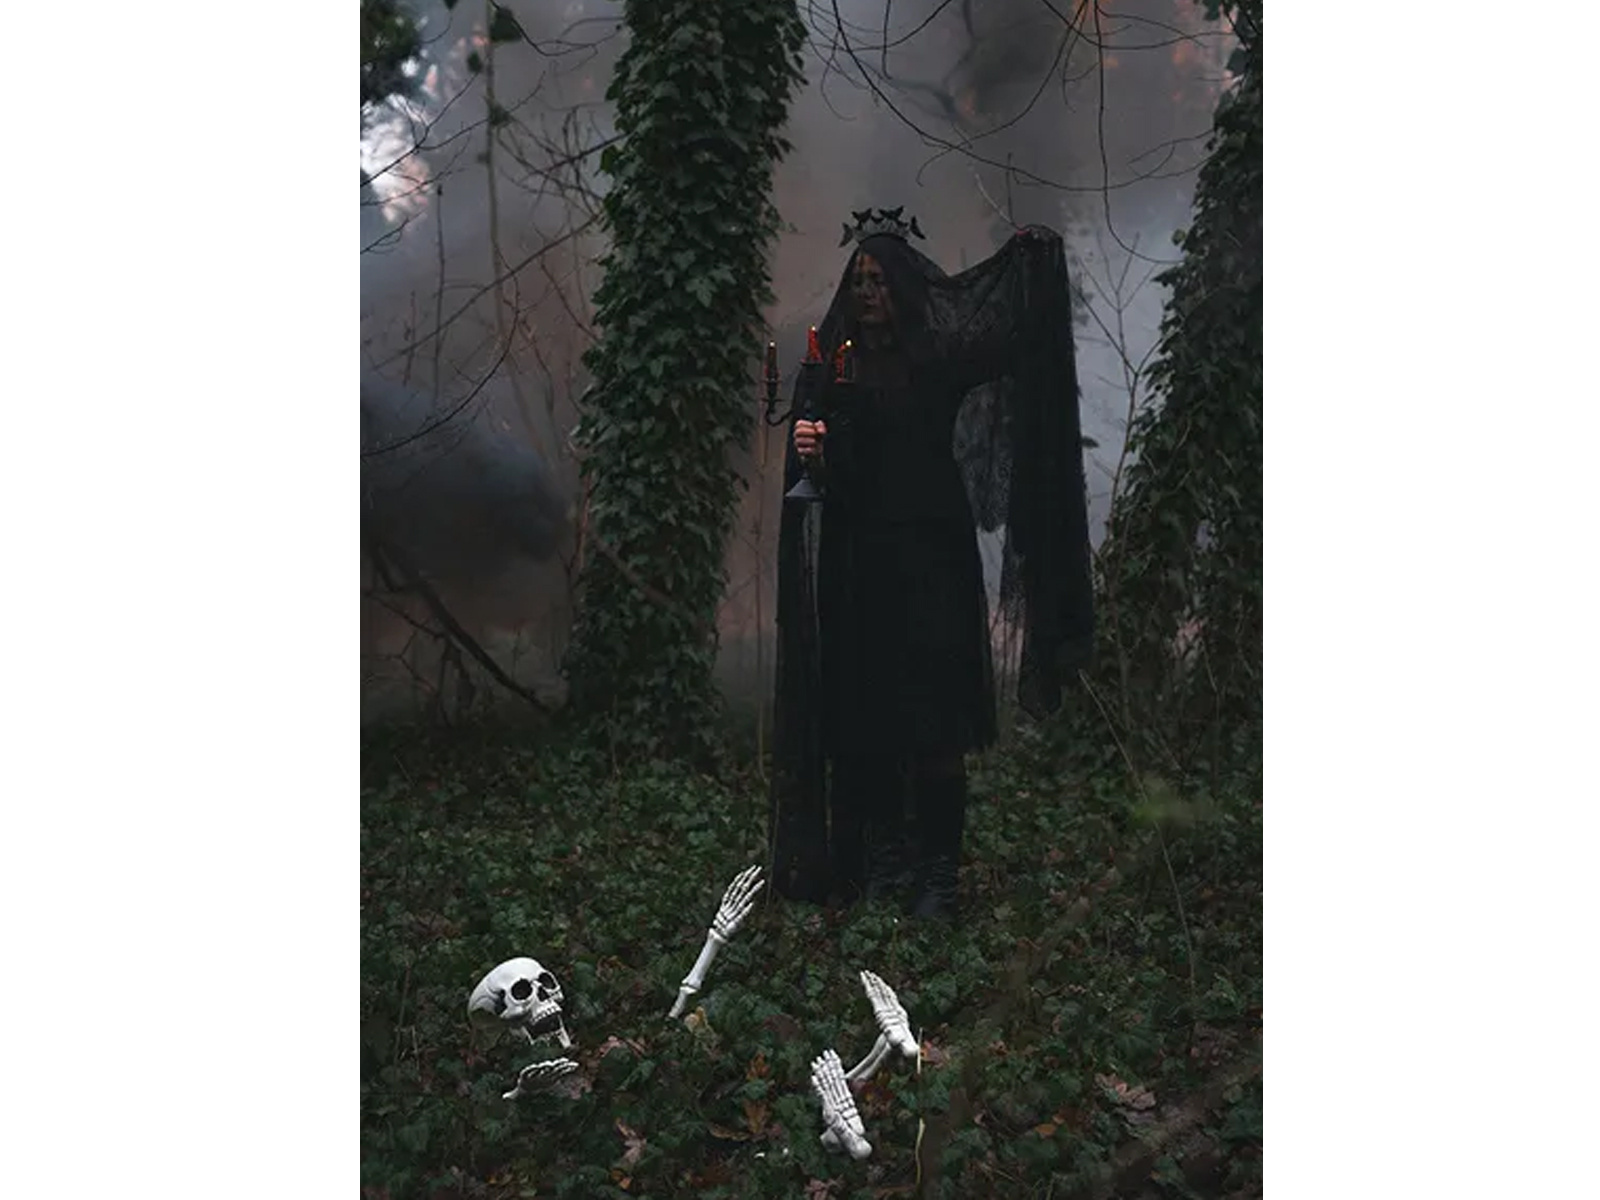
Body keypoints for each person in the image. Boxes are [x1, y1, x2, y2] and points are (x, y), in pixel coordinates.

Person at [767, 209, 1095, 921]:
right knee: (869, 720)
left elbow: (1005, 336)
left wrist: (1029, 266)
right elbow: (820, 471)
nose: (868, 293)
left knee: (937, 722)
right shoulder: (831, 369)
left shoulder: (937, 356)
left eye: (880, 280)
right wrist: (811, 451)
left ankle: (937, 877)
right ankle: (884, 865)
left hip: (932, 562)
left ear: (904, 288)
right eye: (859, 280)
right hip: (860, 564)